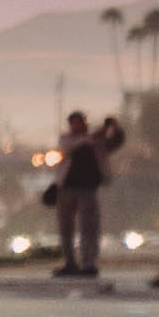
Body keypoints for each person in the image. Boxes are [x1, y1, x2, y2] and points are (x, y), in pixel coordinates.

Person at [48, 109, 126, 276]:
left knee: (89, 227)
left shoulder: (97, 141)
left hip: (88, 188)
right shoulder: (67, 139)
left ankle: (88, 263)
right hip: (66, 187)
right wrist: (98, 134)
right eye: (74, 123)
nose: (77, 125)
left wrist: (114, 128)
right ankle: (70, 263)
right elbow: (75, 146)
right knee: (66, 228)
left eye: (79, 122)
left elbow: (116, 142)